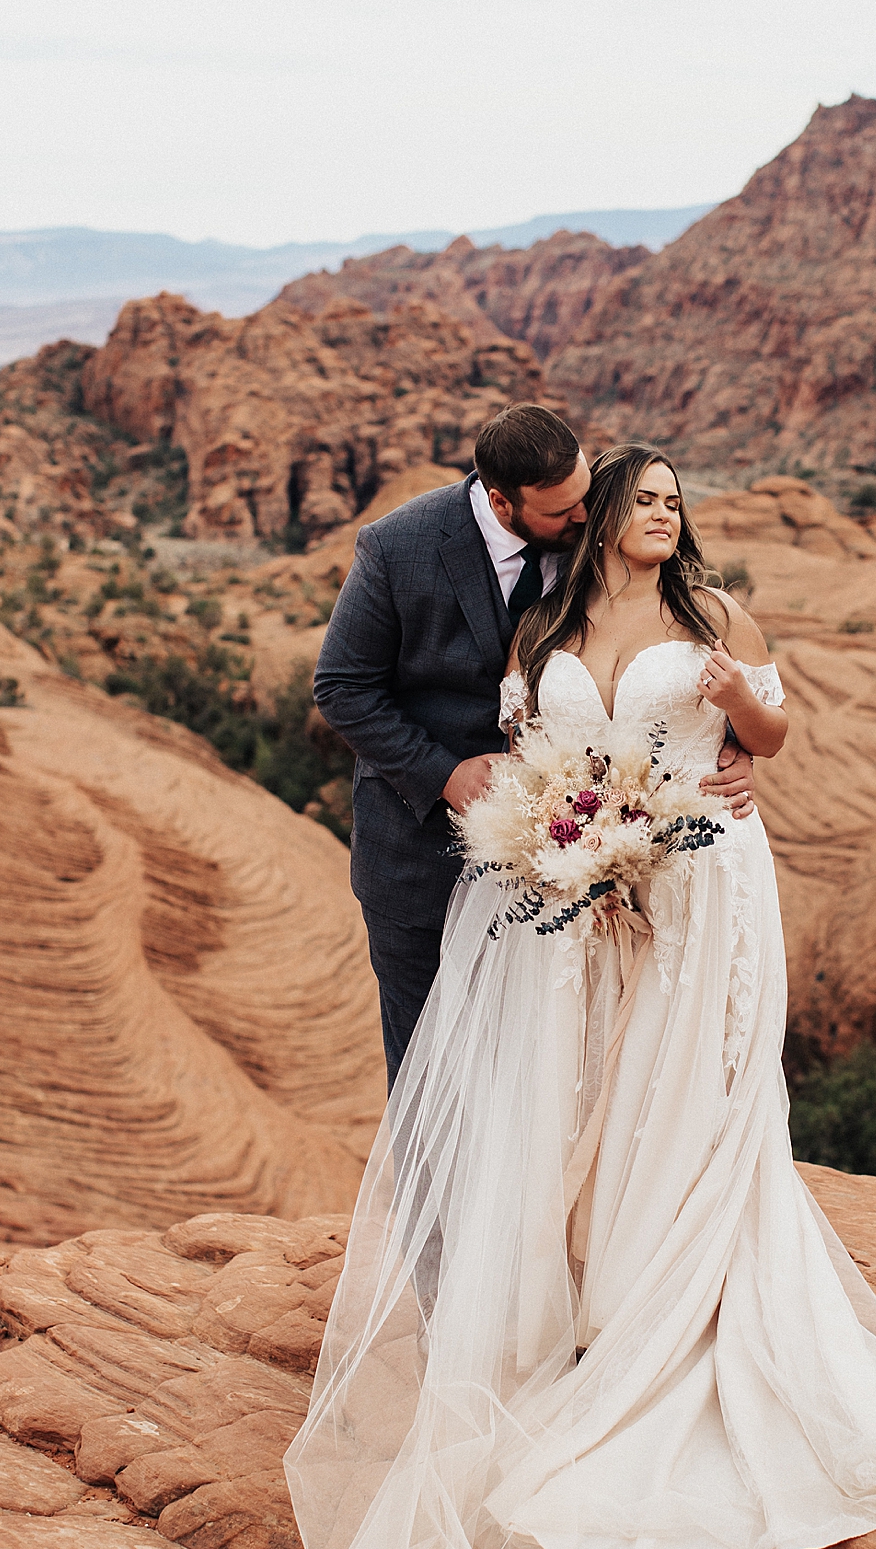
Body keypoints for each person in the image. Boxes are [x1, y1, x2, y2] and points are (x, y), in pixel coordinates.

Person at [270, 442, 876, 1549]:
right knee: (592, 1097)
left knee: (688, 1100)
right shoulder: (545, 618)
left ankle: (676, 1302)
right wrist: (559, 836)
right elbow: (525, 741)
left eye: (674, 501)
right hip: (582, 883)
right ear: (601, 516)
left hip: (706, 878)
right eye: (643, 499)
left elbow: (771, 732)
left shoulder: (714, 614)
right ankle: (590, 1304)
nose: (663, 515)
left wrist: (741, 727)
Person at [313, 403, 756, 1088]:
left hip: (583, 854)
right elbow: (342, 687)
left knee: (548, 1074)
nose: (585, 520)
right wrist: (444, 772)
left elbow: (669, 652)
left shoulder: (586, 522)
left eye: (588, 498)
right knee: (432, 1068)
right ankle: (439, 1202)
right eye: (563, 512)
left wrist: (732, 737)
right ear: (502, 501)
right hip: (420, 852)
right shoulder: (398, 546)